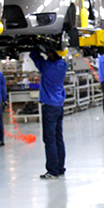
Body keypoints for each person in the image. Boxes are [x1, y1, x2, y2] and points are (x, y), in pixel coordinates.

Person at [29, 45, 67, 179]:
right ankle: (60, 167)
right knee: (58, 138)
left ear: (51, 53)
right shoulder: (63, 65)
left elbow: (34, 56)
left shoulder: (47, 67)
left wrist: (37, 46)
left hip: (49, 106)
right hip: (58, 106)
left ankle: (52, 171)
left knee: (49, 139)